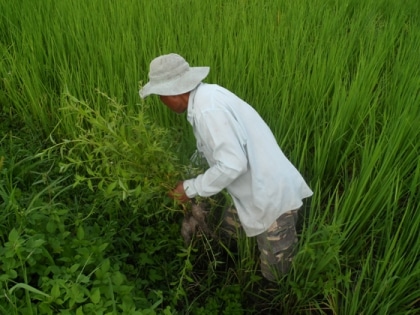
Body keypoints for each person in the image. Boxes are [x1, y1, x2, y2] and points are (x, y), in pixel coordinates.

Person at [139, 53, 313, 282]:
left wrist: (189, 188)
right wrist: (187, 173)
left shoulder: (207, 111)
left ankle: (276, 297)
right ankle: (229, 269)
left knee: (276, 275)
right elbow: (209, 148)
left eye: (161, 96)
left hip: (272, 197)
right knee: (226, 234)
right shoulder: (206, 97)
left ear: (174, 91)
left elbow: (233, 164)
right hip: (252, 189)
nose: (162, 102)